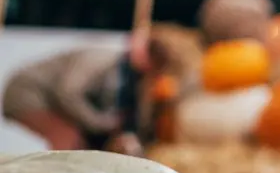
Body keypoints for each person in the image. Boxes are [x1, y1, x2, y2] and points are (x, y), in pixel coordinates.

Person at [1, 26, 191, 154]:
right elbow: (67, 92)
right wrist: (99, 123)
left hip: (49, 97)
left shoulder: (130, 76)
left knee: (76, 146)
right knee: (68, 141)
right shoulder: (104, 57)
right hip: (28, 92)